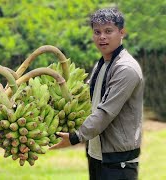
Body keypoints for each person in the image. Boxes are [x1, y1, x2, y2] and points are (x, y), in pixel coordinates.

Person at [50, 7, 144, 180]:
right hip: (97, 154)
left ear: (121, 32)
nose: (102, 37)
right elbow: (87, 101)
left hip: (118, 160)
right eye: (97, 32)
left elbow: (106, 111)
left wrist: (75, 137)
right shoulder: (103, 64)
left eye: (108, 31)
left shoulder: (126, 69)